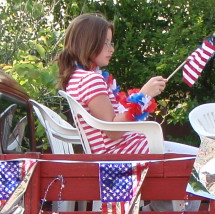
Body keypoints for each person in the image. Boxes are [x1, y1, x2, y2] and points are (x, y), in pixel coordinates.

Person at [57, 13, 171, 154]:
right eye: (105, 43)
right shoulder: (90, 80)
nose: (111, 49)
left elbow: (113, 121)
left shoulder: (77, 78)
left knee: (198, 157)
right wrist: (143, 96)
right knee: (199, 158)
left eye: (110, 43)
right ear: (87, 42)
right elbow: (113, 131)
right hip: (121, 156)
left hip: (125, 152)